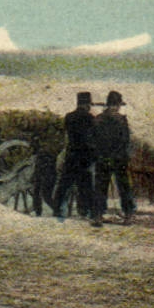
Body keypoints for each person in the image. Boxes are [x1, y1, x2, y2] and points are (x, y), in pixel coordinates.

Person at [93, 90, 135, 222]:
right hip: (119, 158)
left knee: (101, 186)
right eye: (116, 105)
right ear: (117, 105)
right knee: (124, 186)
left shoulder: (98, 119)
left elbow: (94, 140)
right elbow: (126, 140)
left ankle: (98, 215)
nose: (116, 108)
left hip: (103, 158)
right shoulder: (122, 120)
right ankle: (128, 214)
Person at [54, 91, 97, 223]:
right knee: (86, 186)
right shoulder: (90, 118)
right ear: (87, 104)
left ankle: (57, 210)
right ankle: (86, 212)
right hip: (84, 156)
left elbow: (66, 136)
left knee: (64, 184)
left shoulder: (69, 117)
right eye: (89, 104)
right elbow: (93, 138)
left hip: (71, 155)